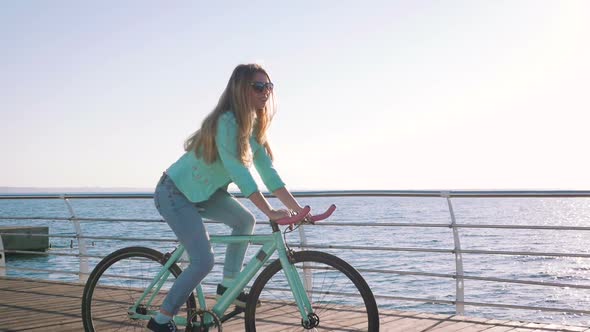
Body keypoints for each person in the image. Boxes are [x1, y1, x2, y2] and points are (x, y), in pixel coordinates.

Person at [148, 63, 311, 331]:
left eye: (269, 86)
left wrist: (299, 210)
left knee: (245, 221)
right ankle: (162, 319)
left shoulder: (253, 125)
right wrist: (270, 211)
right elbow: (238, 171)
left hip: (204, 194)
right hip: (174, 191)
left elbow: (268, 173)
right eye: (258, 86)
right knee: (203, 260)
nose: (265, 92)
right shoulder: (226, 122)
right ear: (240, 90)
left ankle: (227, 287)